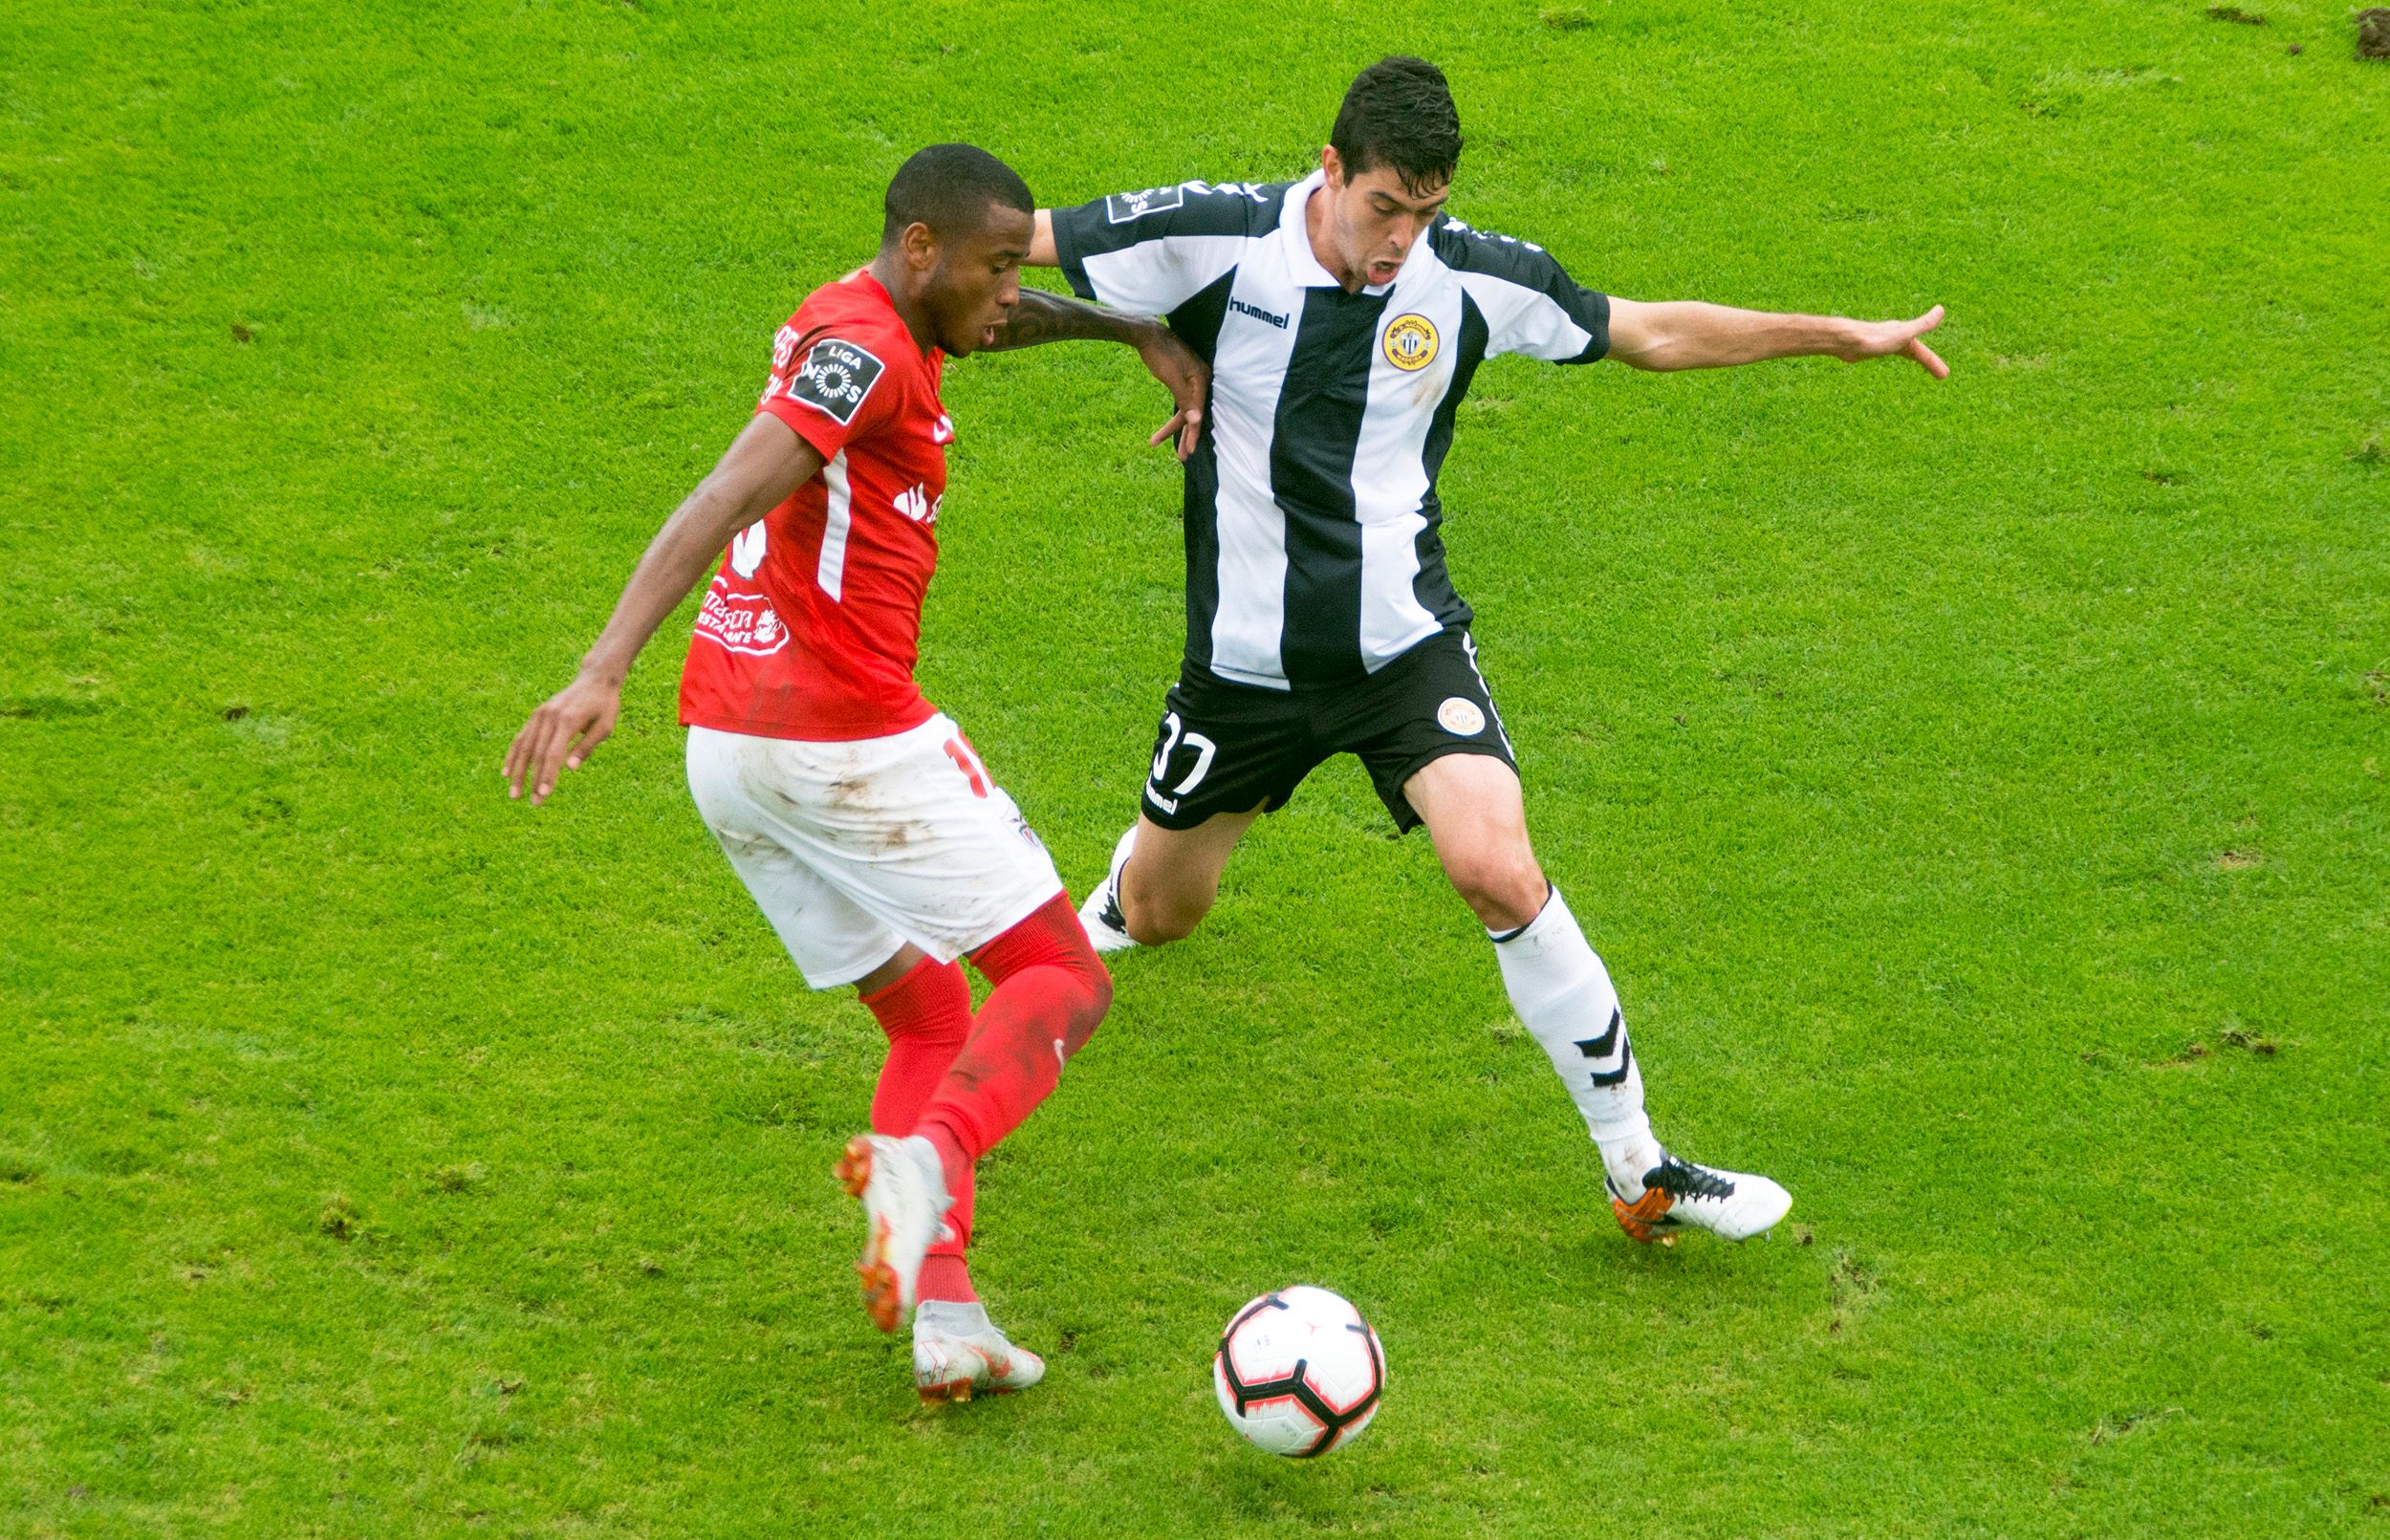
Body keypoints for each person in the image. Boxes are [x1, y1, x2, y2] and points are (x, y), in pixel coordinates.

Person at [1039, 57, 1950, 1246]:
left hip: (1403, 652)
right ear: (1330, 169)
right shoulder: (1219, 236)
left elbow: (1648, 332)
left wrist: (1835, 337)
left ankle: (1638, 1166)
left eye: (1424, 213)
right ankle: (1125, 885)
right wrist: (1136, 335)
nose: (1399, 241)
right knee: (1163, 914)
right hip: (1244, 672)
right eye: (1383, 208)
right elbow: (1003, 245)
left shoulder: (1467, 276)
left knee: (1497, 869)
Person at [504, 143, 1208, 1399]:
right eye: (998, 266)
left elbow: (990, 323)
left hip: (729, 746)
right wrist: (599, 667)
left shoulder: (878, 310)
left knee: (931, 1015)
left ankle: (947, 1315)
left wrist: (1129, 330)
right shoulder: (871, 356)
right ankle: (929, 1160)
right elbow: (728, 490)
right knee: (1061, 974)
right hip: (837, 733)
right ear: (921, 250)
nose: (1010, 294)